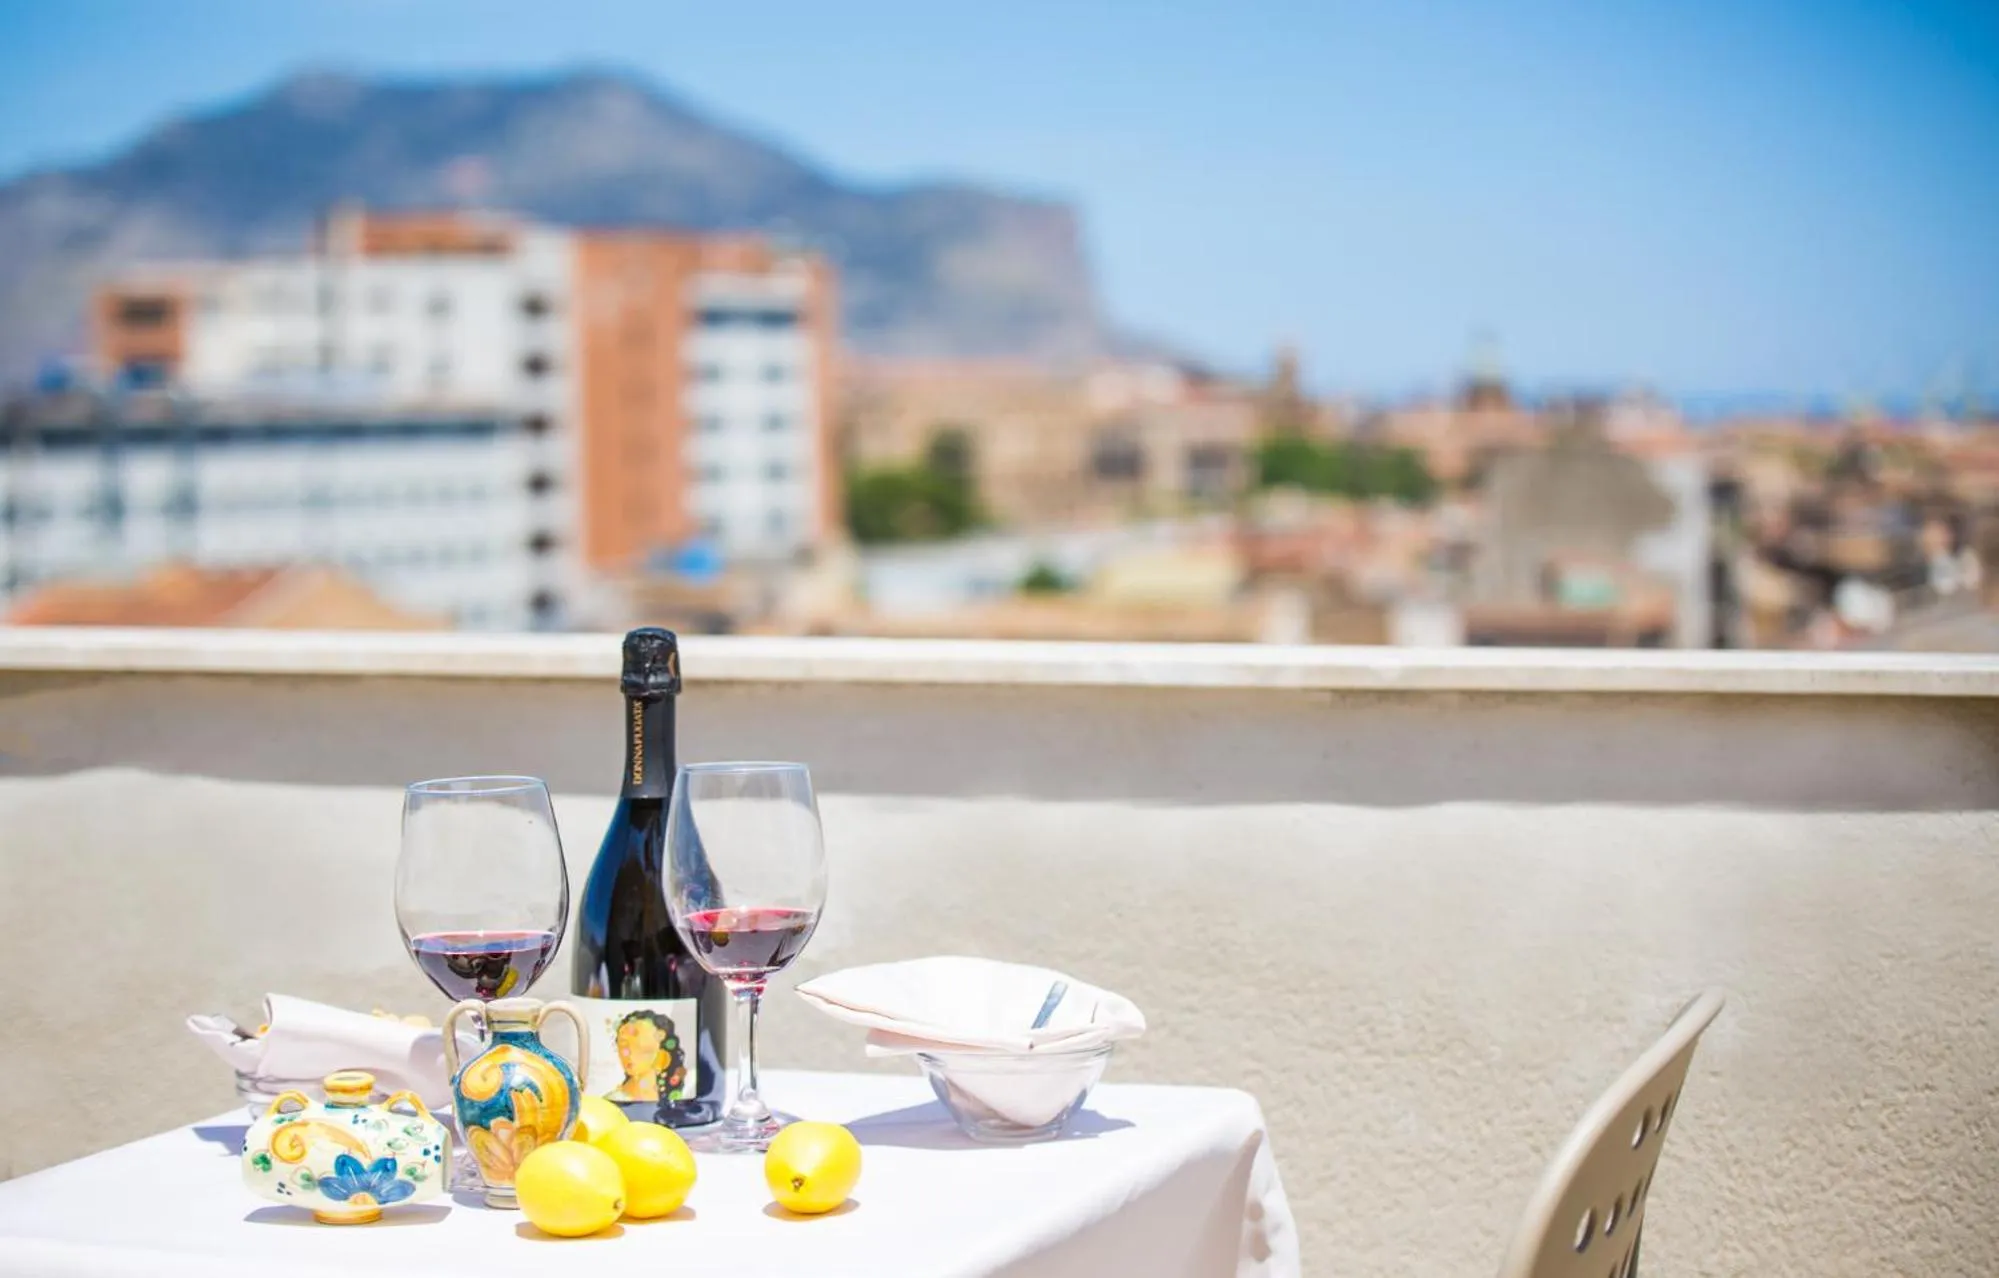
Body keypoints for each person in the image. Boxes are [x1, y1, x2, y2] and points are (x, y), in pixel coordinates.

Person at [605, 1009, 686, 1103]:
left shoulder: (671, 1099)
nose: (628, 1053)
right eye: (623, 1044)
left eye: (639, 1046)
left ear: (662, 1055)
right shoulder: (610, 1100)